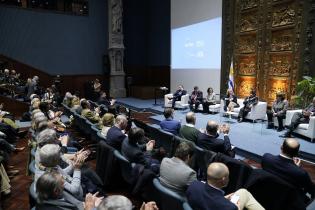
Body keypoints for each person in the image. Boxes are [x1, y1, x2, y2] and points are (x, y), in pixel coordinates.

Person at [187, 162, 265, 210]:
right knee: (243, 193)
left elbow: (207, 200)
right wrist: (237, 208)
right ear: (223, 179)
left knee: (243, 192)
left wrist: (223, 198)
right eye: (228, 176)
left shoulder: (193, 185)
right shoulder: (230, 207)